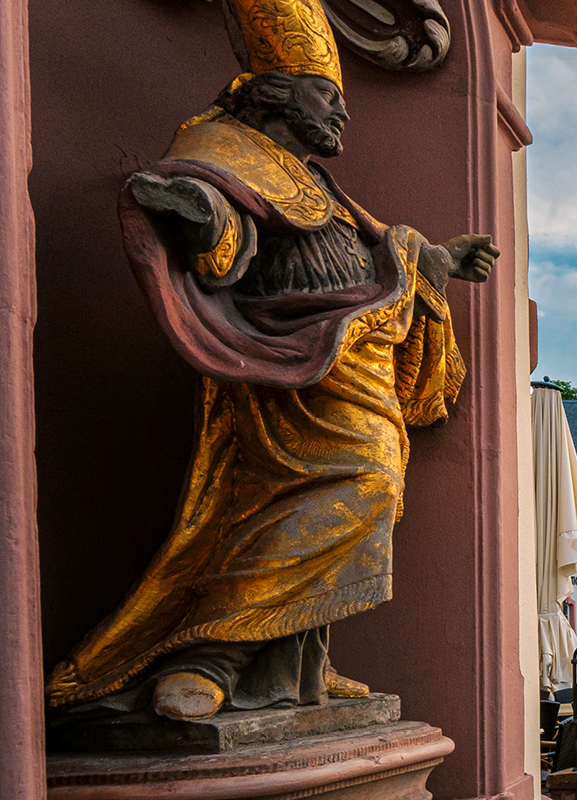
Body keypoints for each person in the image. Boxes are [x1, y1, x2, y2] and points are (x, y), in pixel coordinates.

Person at [45, 0, 496, 724]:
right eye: (328, 96)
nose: (342, 113)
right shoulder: (226, 150)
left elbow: (380, 248)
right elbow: (221, 232)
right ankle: (208, 657)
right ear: (276, 92)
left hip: (354, 356)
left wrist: (438, 257)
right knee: (357, 487)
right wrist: (199, 215)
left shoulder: (315, 180)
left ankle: (293, 667)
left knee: (363, 497)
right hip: (290, 361)